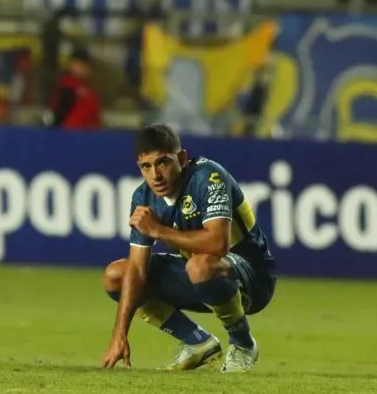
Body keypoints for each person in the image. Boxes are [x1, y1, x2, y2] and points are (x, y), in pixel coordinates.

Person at [102, 125, 277, 373]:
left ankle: (243, 344)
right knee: (116, 275)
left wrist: (158, 231)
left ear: (182, 158)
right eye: (146, 167)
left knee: (200, 264)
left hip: (253, 278)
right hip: (201, 278)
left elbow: (218, 244)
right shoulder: (143, 197)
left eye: (163, 162)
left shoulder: (209, 177)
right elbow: (137, 272)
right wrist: (119, 335)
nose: (155, 175)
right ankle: (198, 343)